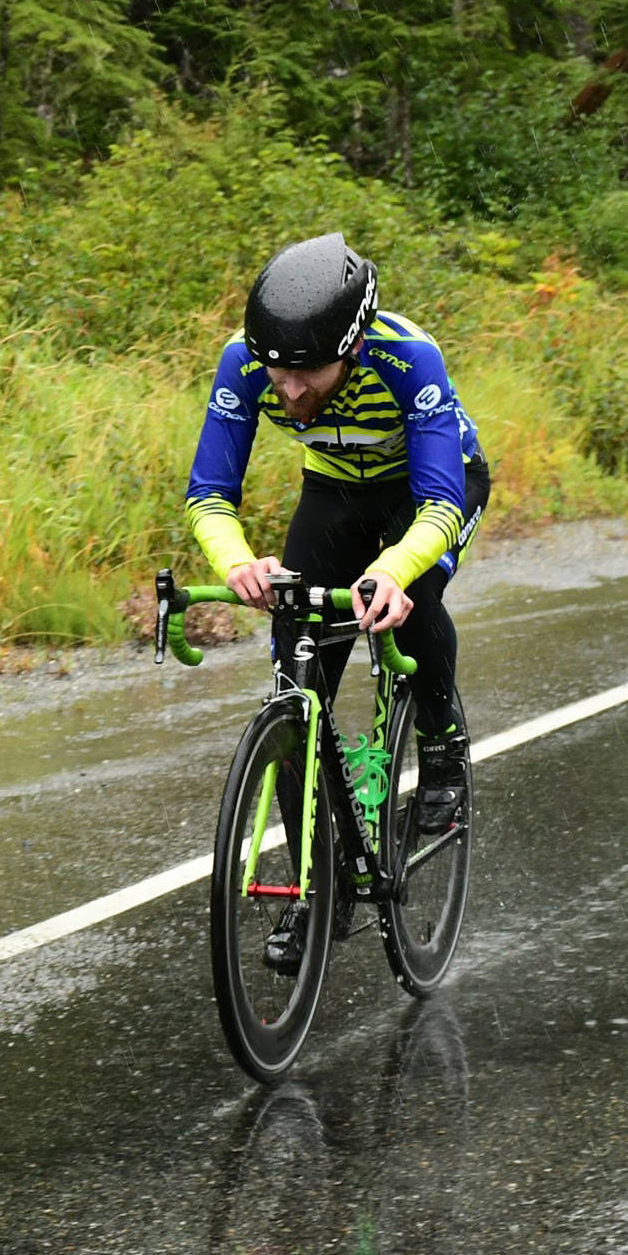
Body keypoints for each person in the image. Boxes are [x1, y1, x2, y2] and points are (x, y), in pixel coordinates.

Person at [186, 232, 490, 966]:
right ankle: (316, 892)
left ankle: (443, 745)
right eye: (275, 373)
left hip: (427, 492)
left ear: (352, 345)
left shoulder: (408, 357)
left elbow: (442, 504)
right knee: (298, 696)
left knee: (411, 590)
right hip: (333, 490)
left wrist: (389, 570)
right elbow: (209, 496)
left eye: (308, 374)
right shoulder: (245, 363)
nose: (287, 392)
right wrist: (237, 564)